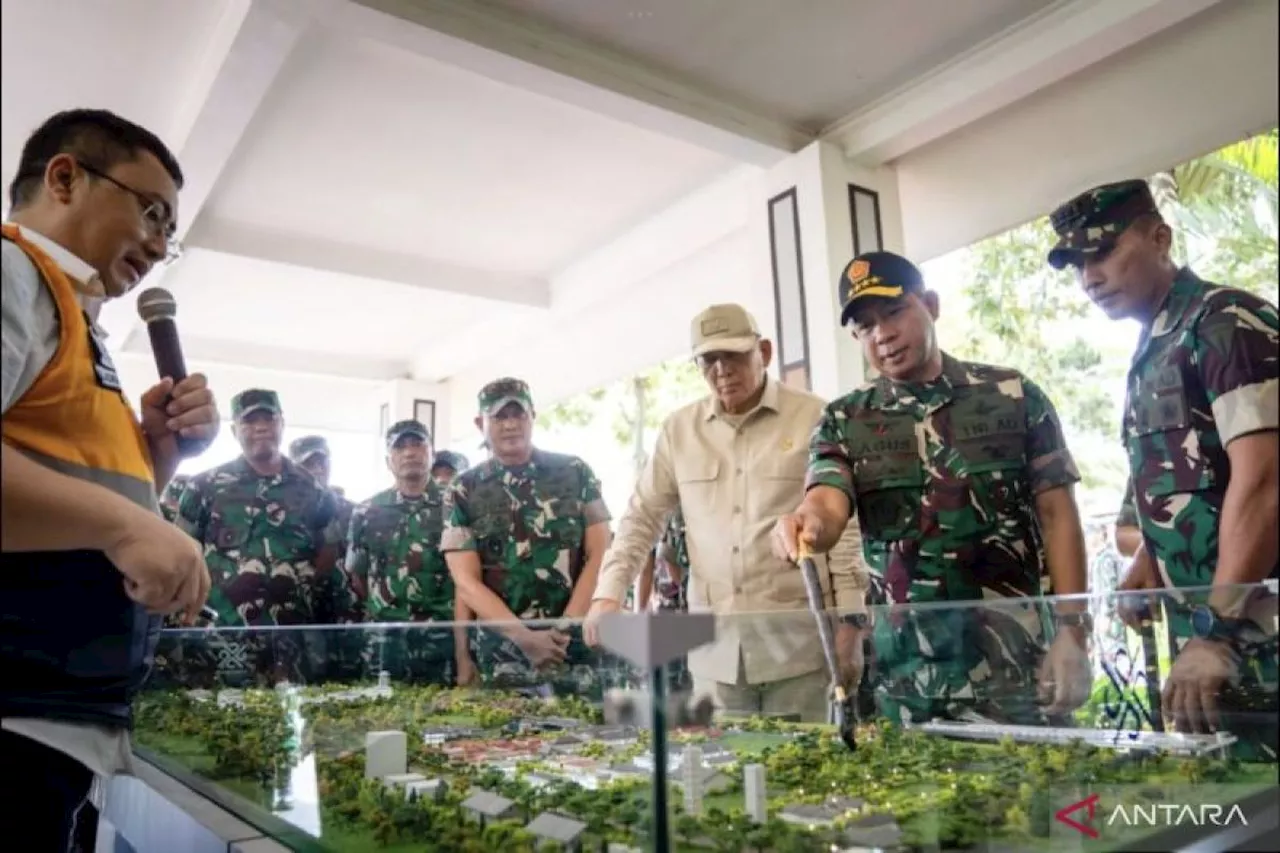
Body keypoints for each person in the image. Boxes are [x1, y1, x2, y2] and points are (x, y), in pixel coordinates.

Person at [0, 108, 217, 851]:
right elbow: (106, 522)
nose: (159, 244)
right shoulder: (12, 270)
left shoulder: (76, 314)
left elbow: (60, 495)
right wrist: (129, 524)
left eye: (169, 227)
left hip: (51, 713)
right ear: (65, 177)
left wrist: (161, 459)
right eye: (150, 210)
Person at [772, 252, 1092, 726]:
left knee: (1037, 795)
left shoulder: (1013, 395)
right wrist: (808, 525)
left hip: (1020, 669)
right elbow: (826, 499)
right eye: (864, 326)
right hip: (909, 682)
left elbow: (1058, 516)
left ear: (931, 305)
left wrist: (1072, 635)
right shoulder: (846, 420)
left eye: (894, 312)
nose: (882, 334)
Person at [1046, 179, 1278, 748]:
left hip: (1253, 633)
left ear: (1160, 236)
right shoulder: (1157, 346)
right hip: (1212, 641)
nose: (1089, 277)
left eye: (1102, 253)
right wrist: (1152, 554)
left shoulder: (1226, 321)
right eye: (1077, 263)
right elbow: (1192, 477)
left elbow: (1267, 482)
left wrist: (1217, 629)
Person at [587, 304, 868, 722]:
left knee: (803, 778)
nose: (722, 370)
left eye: (733, 355)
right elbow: (641, 517)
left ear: (764, 352)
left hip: (800, 651)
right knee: (723, 779)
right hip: (714, 658)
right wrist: (608, 593)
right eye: (708, 360)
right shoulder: (679, 431)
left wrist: (851, 621)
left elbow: (844, 528)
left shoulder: (814, 416)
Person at [442, 378, 611, 687]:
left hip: (574, 646)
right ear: (481, 423)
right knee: (506, 736)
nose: (510, 425)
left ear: (533, 415)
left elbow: (601, 552)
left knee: (587, 732)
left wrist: (563, 628)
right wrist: (523, 638)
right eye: (499, 417)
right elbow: (465, 581)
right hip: (505, 654)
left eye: (518, 414)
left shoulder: (575, 472)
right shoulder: (463, 489)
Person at [339, 420, 465, 684]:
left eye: (418, 444)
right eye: (400, 447)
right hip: (385, 641)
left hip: (441, 640)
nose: (410, 453)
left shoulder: (454, 505)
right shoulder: (366, 512)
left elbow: (468, 573)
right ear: (389, 460)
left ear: (431, 453)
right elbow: (357, 577)